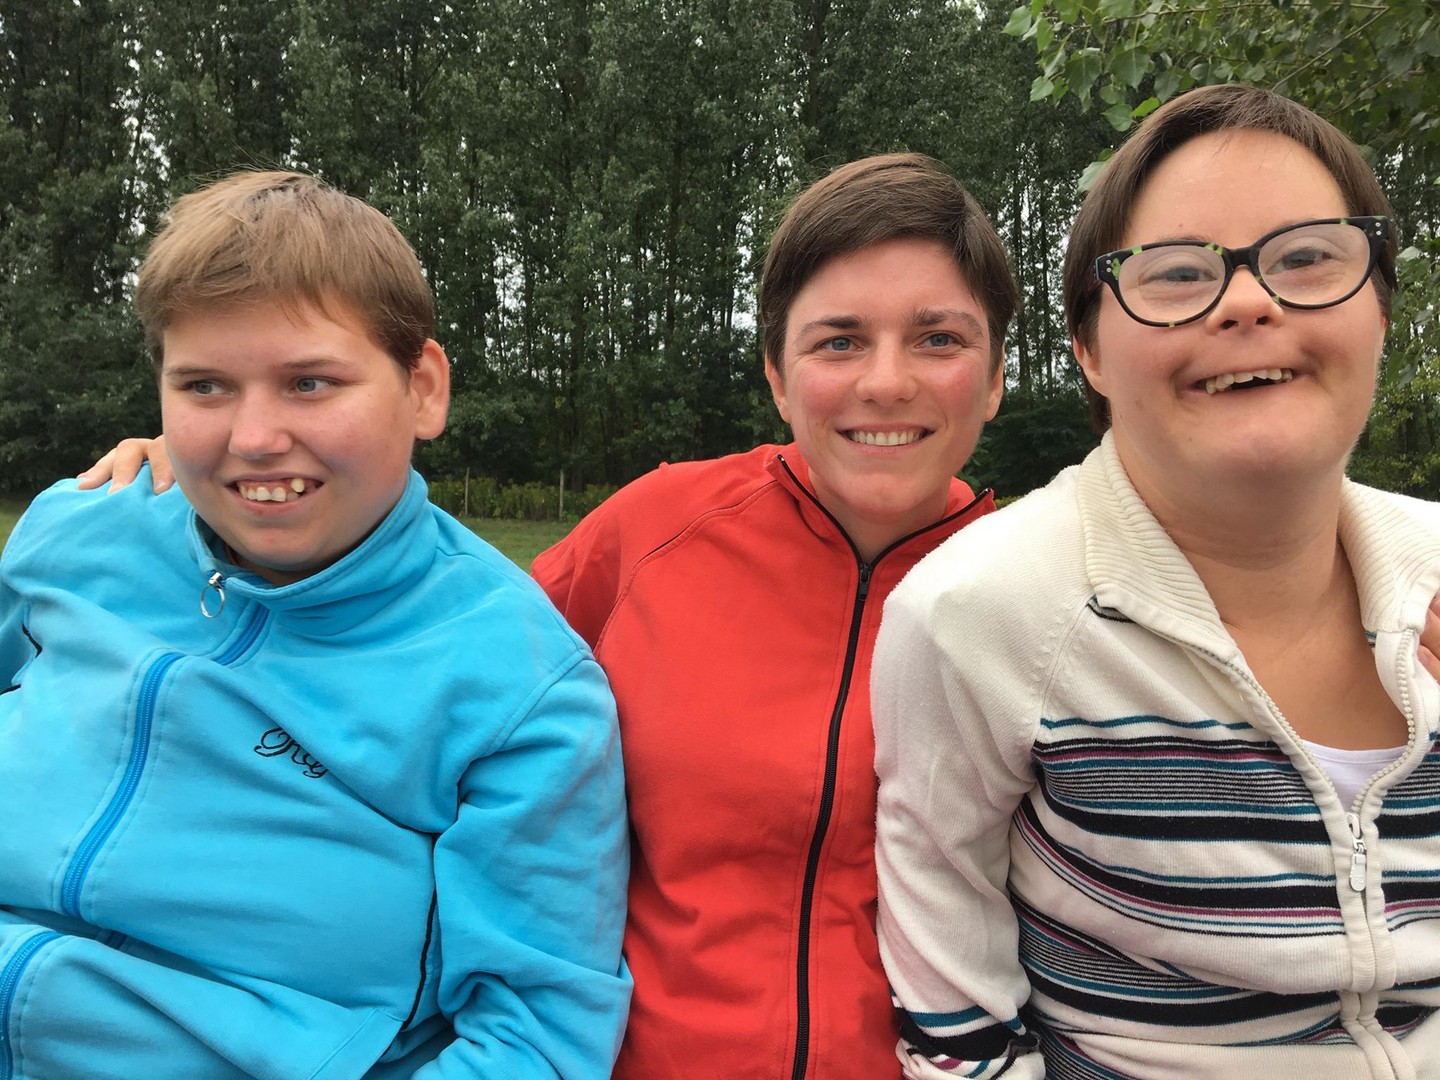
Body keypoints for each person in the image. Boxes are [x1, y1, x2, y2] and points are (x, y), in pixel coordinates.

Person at [79, 152, 1020, 1078]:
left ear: (995, 375)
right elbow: (423, 635)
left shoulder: (1032, 598)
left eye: (939, 339)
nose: (886, 381)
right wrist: (222, 469)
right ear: (777, 374)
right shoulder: (656, 529)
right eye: (839, 341)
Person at [0, 171, 630, 1079]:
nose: (254, 437)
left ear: (423, 388)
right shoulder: (81, 527)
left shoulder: (517, 685)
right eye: (205, 386)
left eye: (309, 382)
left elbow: (538, 1039)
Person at [873, 84, 1440, 1079]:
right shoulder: (979, 611)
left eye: (1308, 257)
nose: (1250, 301)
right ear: (1089, 350)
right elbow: (955, 1019)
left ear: (1382, 310)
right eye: (1178, 274)